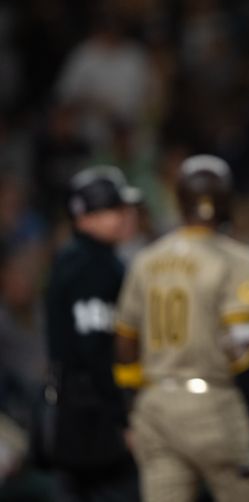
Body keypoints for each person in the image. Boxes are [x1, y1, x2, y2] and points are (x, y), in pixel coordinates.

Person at [115, 155, 249, 502]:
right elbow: (244, 346)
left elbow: (125, 340)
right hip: (213, 402)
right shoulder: (237, 257)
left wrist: (132, 402)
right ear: (226, 201)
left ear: (179, 199)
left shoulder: (147, 259)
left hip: (155, 404)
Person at [43, 165, 141, 501]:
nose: (126, 216)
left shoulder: (77, 258)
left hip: (77, 411)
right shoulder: (91, 266)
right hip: (93, 420)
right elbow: (94, 348)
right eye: (114, 209)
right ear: (84, 217)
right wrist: (121, 420)